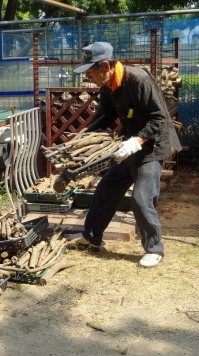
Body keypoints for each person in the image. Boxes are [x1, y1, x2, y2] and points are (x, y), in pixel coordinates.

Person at [67, 41, 180, 268]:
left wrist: (138, 140)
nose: (88, 77)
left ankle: (154, 249)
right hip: (128, 144)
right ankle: (91, 237)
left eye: (90, 71)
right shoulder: (108, 86)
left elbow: (159, 118)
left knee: (141, 199)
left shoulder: (138, 80)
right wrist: (83, 137)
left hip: (152, 146)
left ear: (105, 66)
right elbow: (105, 117)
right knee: (106, 189)